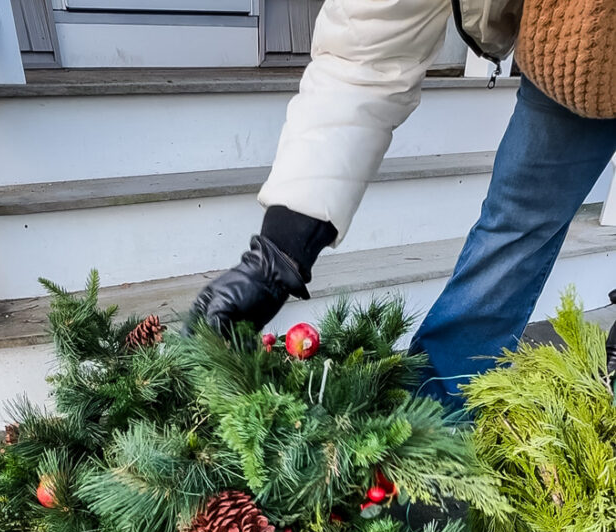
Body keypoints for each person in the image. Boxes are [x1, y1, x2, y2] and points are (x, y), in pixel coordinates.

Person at [190, 0, 616, 405]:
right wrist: (277, 256)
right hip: (578, 55)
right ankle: (438, 412)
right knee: (514, 226)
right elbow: (364, 53)